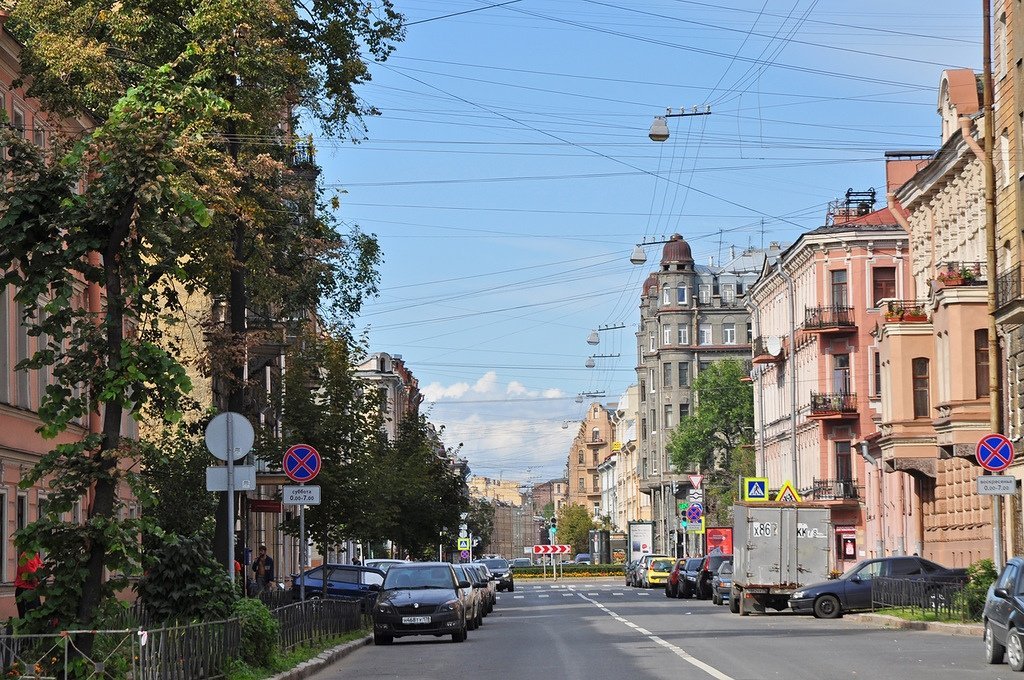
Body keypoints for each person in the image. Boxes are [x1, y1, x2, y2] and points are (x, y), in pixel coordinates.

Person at [15, 552, 42, 618]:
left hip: (33, 590)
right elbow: (33, 577)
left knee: (36, 618)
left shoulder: (35, 555)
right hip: (25, 591)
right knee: (28, 619)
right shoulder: (26, 556)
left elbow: (42, 569)